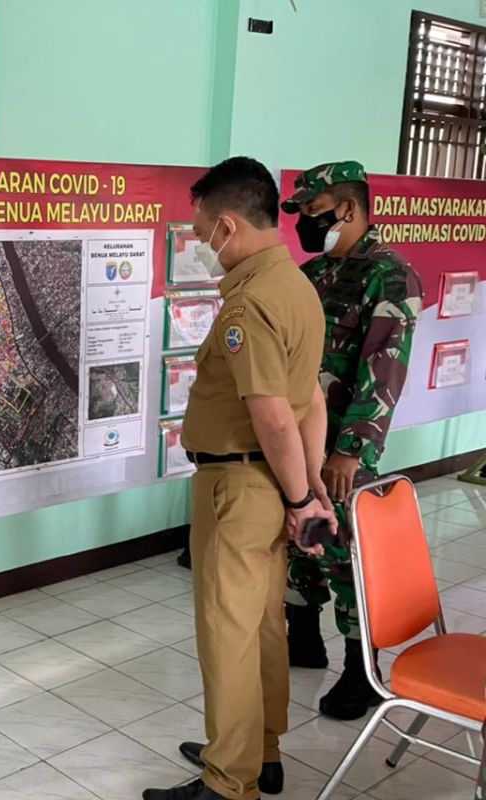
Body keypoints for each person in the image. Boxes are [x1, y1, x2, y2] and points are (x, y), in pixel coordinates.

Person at [144, 157, 335, 800]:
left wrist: (301, 493)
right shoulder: (296, 286)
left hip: (238, 487)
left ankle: (228, 783)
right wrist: (307, 490)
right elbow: (312, 397)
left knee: (227, 633)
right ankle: (260, 749)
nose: (199, 244)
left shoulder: (249, 305)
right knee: (262, 626)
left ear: (226, 224)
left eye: (201, 232)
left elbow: (274, 414)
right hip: (273, 486)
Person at [280, 161, 422, 721]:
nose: (304, 225)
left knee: (343, 551)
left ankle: (362, 669)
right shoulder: (313, 275)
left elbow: (384, 367)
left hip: (342, 447)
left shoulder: (389, 275)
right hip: (299, 441)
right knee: (304, 538)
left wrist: (350, 448)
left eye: (313, 212)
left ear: (348, 209)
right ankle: (303, 635)